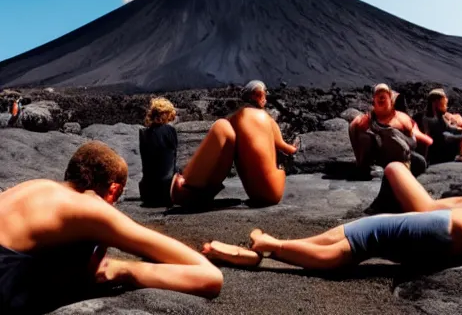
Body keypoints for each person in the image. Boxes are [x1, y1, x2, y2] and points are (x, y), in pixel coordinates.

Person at [200, 125, 462, 271]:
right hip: (459, 227)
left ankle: (271, 250)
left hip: (456, 230)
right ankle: (272, 245)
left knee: (367, 236)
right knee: (362, 231)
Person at [0, 141, 223, 313]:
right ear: (114, 190)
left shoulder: (36, 187)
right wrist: (121, 269)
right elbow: (209, 277)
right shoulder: (89, 206)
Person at [141, 81, 298, 209]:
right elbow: (286, 148)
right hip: (273, 191)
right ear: (258, 95)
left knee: (223, 127)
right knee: (223, 128)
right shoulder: (267, 119)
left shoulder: (144, 133)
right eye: (265, 93)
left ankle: (190, 188)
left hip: (149, 191)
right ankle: (191, 189)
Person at [349, 83, 433, 176]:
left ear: (390, 98)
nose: (381, 98)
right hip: (381, 159)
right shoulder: (364, 120)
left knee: (419, 161)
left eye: (384, 95)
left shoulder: (402, 118)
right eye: (378, 95)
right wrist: (359, 161)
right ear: (374, 99)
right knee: (366, 137)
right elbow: (353, 128)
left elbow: (420, 140)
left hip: (404, 159)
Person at [422, 88, 462, 163]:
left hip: (446, 140)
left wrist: (461, 130)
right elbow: (438, 137)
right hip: (440, 146)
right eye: (444, 104)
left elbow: (448, 128)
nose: (446, 107)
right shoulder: (429, 119)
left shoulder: (441, 117)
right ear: (437, 102)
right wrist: (460, 136)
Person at [138, 98, 178, 207]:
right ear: (165, 114)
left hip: (147, 193)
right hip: (166, 192)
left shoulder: (144, 133)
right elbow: (173, 158)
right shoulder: (170, 131)